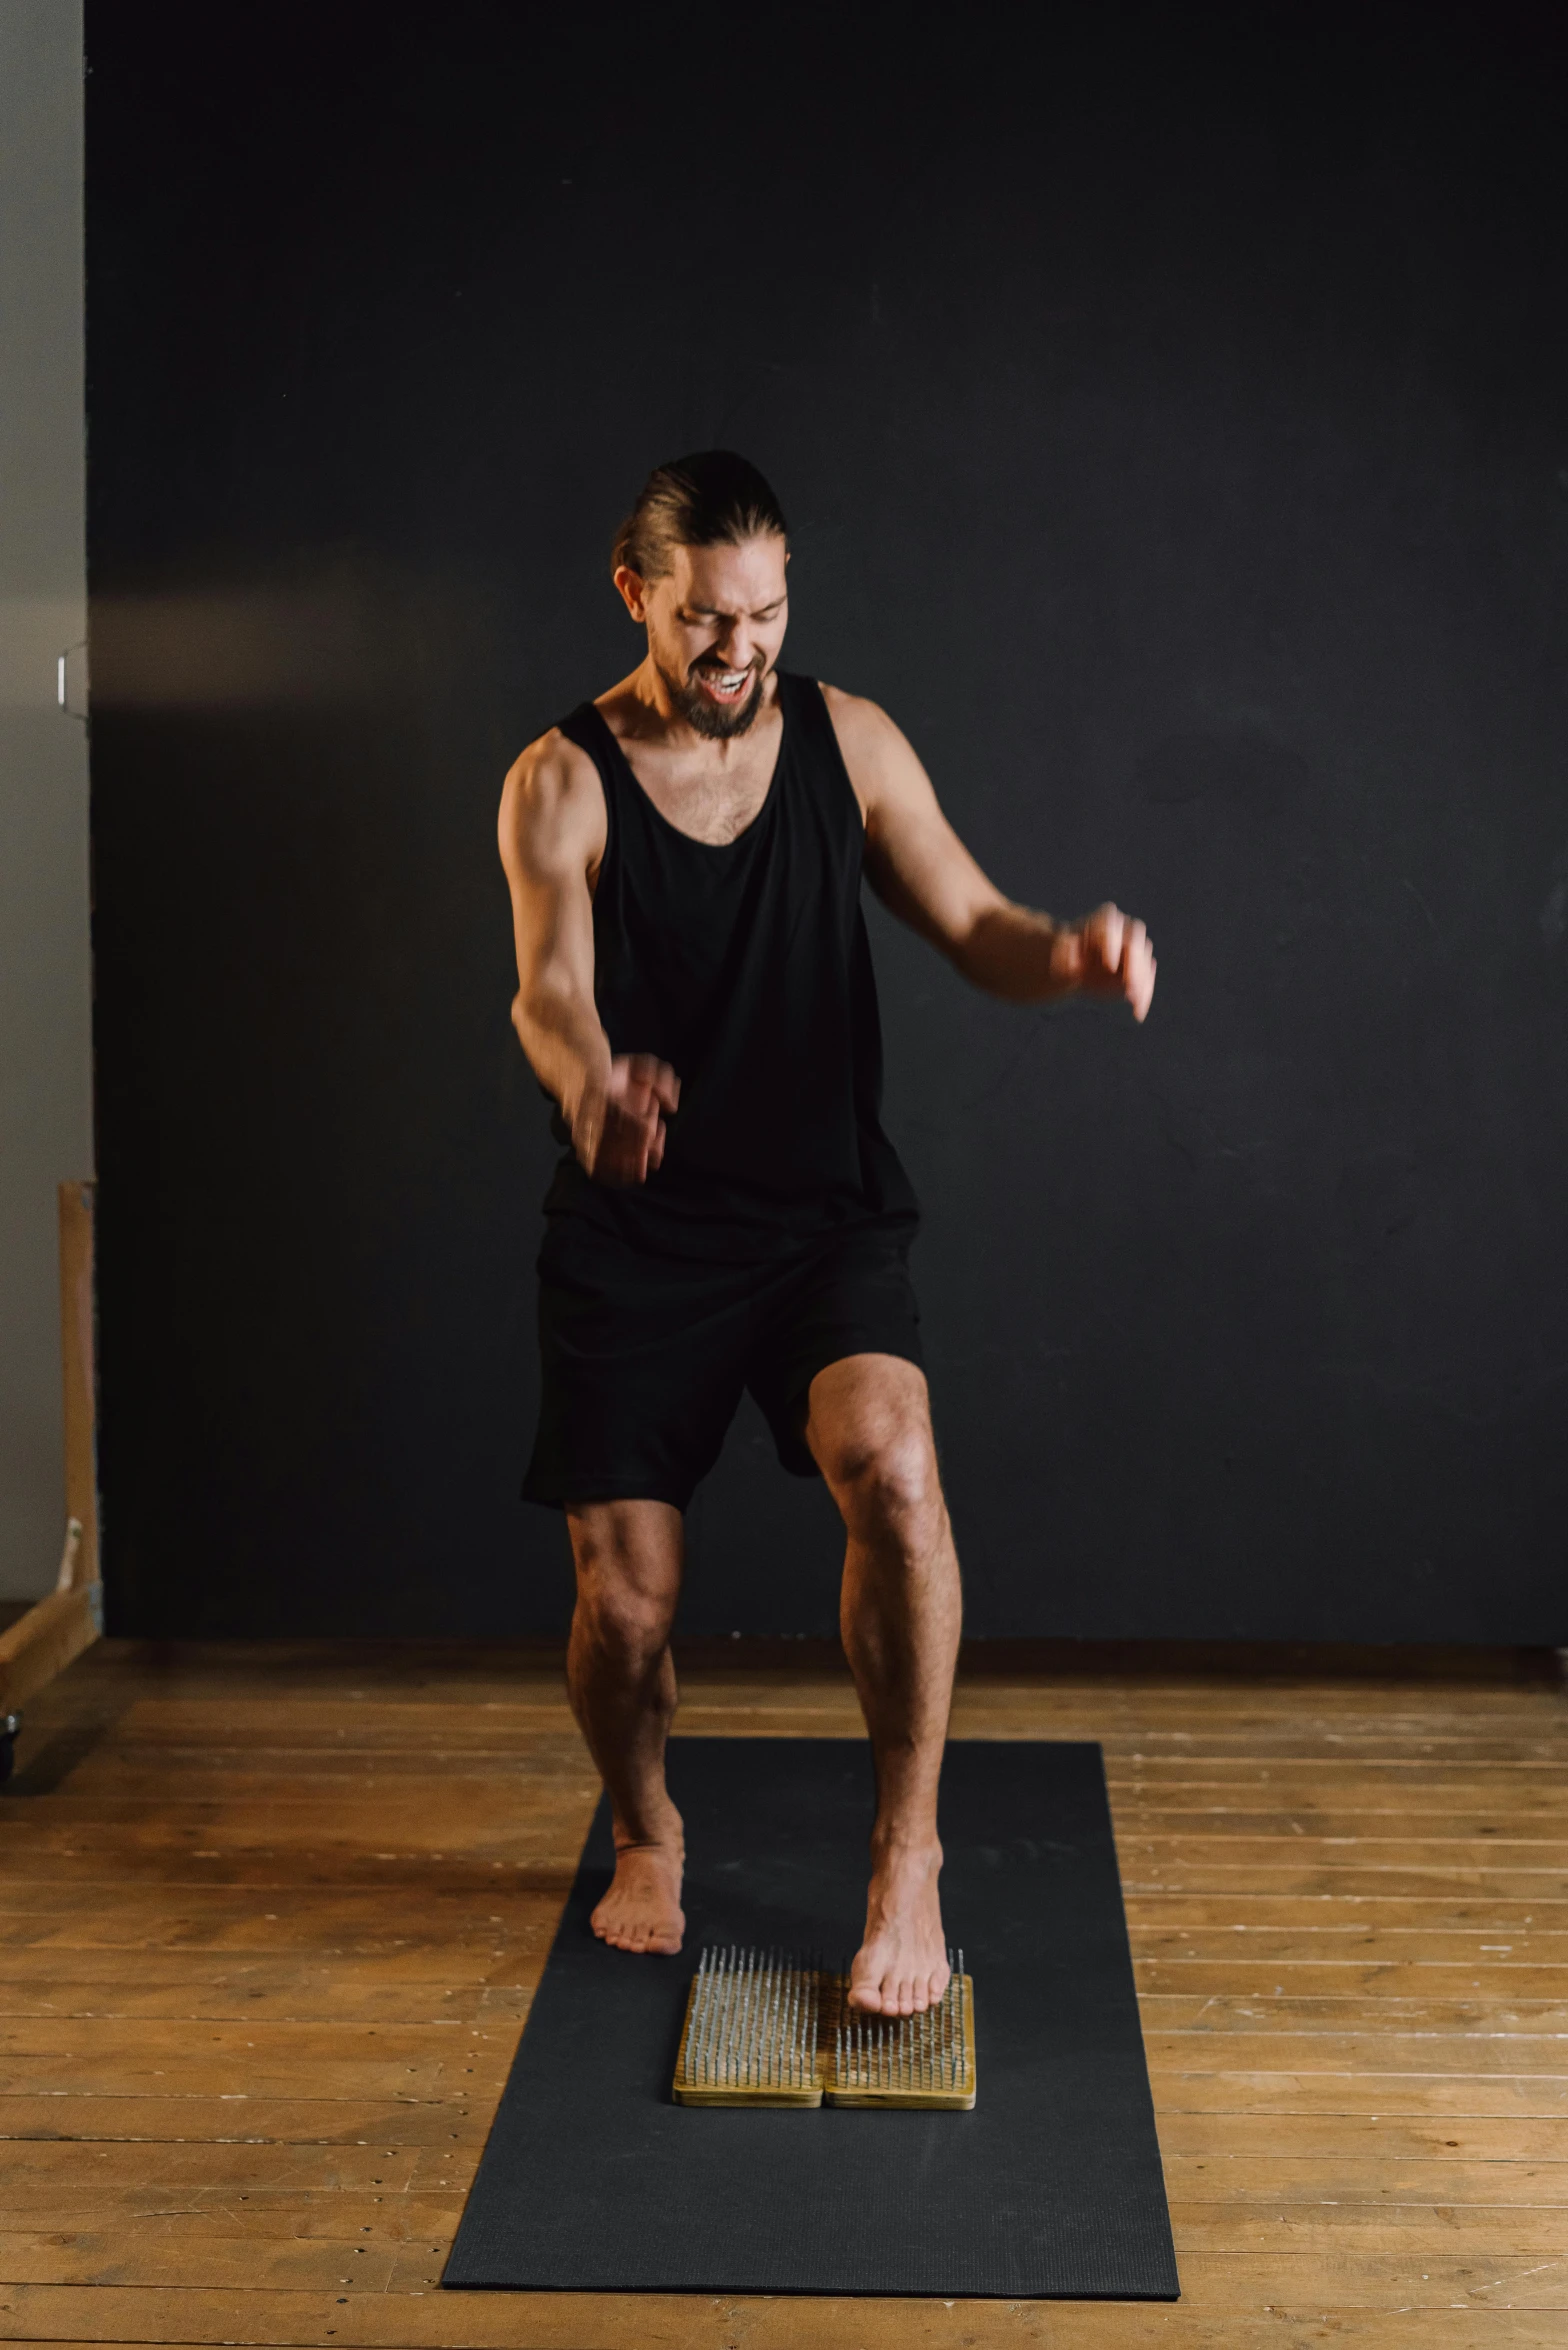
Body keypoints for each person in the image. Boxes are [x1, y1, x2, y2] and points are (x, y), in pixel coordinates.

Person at [499, 452, 1156, 2018]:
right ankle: (648, 1822)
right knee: (628, 1604)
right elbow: (548, 988)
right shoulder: (561, 778)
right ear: (635, 593)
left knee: (899, 1469)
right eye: (708, 619)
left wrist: (1063, 955)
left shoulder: (845, 741)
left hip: (815, 1217)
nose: (742, 650)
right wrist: (593, 1082)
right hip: (637, 1227)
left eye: (768, 614)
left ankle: (908, 1851)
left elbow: (975, 920)